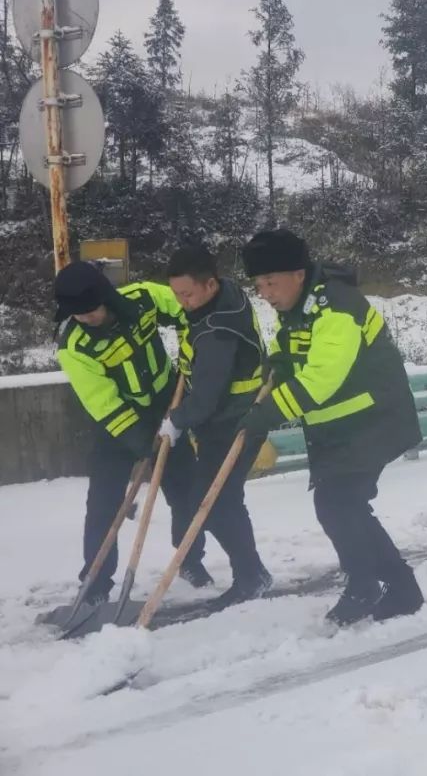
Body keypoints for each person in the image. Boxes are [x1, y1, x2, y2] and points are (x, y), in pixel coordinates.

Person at [236, 229, 424, 626]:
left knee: (339, 503)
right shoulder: (299, 306)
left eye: (270, 282)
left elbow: (321, 378)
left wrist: (267, 414)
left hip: (374, 417)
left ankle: (366, 585)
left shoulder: (336, 307)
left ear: (298, 274)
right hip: (343, 423)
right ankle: (399, 588)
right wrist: (277, 365)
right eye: (258, 285)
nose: (265, 293)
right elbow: (290, 348)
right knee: (343, 504)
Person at [54, 261, 209, 605]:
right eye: (77, 314)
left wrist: (191, 347)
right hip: (118, 425)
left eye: (90, 310)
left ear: (106, 297)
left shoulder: (143, 298)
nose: (85, 318)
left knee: (185, 491)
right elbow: (103, 403)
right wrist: (143, 443)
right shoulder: (74, 347)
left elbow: (187, 311)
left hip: (168, 405)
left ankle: (189, 559)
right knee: (104, 504)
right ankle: (95, 583)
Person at [159, 246, 273, 608]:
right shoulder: (224, 295)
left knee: (213, 503)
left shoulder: (217, 330)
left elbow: (208, 397)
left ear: (210, 284)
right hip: (226, 419)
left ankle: (251, 576)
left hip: (235, 422)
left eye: (187, 294)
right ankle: (252, 574)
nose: (182, 302)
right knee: (221, 500)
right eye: (177, 294)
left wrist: (176, 420)